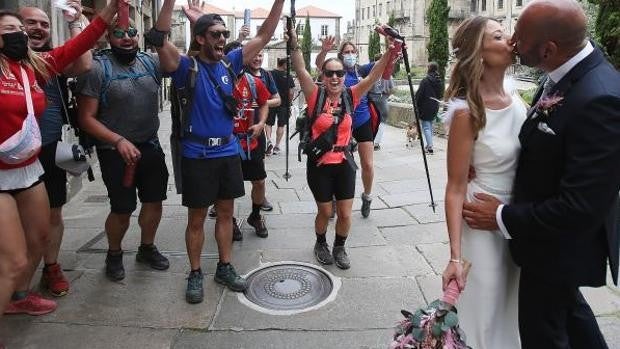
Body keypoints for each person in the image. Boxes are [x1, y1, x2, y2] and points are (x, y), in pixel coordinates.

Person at [462, 1, 620, 347]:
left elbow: (580, 206)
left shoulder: (599, 97)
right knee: (574, 320)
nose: (513, 42)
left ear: (549, 49)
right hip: (540, 242)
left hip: (556, 246)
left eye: (521, 37)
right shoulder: (564, 74)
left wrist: (501, 215)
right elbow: (547, 147)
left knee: (543, 334)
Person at [153, 0, 284, 304]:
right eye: (215, 34)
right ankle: (196, 272)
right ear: (200, 38)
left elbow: (264, 35)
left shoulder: (231, 63)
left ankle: (224, 267)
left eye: (225, 34)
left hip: (227, 152)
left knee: (226, 214)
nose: (222, 39)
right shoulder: (186, 67)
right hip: (197, 154)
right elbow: (158, 38)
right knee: (197, 219)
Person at [0, 0, 122, 318]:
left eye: (19, 30)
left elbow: (80, 48)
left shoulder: (35, 66)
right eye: (9, 30)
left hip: (31, 167)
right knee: (11, 259)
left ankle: (21, 296)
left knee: (40, 236)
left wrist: (109, 10)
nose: (18, 35)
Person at [440, 16, 524, 349]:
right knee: (482, 316)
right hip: (480, 223)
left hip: (513, 219)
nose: (511, 40)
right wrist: (456, 257)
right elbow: (455, 187)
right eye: (500, 36)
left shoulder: (516, 96)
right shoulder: (467, 112)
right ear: (480, 51)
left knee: (509, 313)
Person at [290, 27, 396, 269]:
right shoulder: (315, 96)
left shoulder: (351, 95)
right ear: (324, 76)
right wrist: (294, 42)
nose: (335, 77)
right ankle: (320, 243)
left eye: (339, 73)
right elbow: (300, 69)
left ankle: (339, 247)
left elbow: (373, 78)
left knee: (346, 214)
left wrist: (389, 52)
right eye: (330, 73)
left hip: (344, 163)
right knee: (325, 213)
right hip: (319, 165)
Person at [76, 17, 170, 281]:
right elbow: (86, 118)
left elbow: (179, 64)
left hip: (150, 146)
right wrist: (118, 140)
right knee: (122, 208)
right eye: (118, 33)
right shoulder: (97, 68)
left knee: (154, 201)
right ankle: (114, 253)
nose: (126, 37)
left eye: (131, 32)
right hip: (114, 152)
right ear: (108, 36)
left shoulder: (150, 61)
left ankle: (147, 248)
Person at [19, 2, 92, 298]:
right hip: (9, 155)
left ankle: (50, 267)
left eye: (45, 24)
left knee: (53, 213)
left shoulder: (51, 59)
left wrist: (77, 22)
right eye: (30, 23)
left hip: (47, 147)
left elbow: (84, 64)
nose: (39, 28)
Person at [316, 36, 376, 218]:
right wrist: (325, 50)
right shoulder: (337, 71)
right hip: (341, 121)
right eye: (346, 52)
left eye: (353, 52)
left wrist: (392, 49)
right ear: (341, 55)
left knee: (367, 163)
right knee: (337, 162)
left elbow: (381, 70)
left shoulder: (362, 70)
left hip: (362, 119)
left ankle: (367, 196)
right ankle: (334, 198)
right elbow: (320, 64)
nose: (350, 55)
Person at [223, 41, 272, 241]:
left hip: (251, 143)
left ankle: (255, 215)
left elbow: (264, 104)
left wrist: (261, 123)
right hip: (226, 146)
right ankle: (230, 220)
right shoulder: (217, 81)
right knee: (228, 188)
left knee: (259, 182)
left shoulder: (253, 82)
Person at [266, 57, 295, 155]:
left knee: (269, 123)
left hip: (272, 101)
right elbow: (291, 92)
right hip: (284, 104)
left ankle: (268, 141)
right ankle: (277, 146)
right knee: (281, 124)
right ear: (284, 64)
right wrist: (289, 103)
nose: (290, 66)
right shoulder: (288, 76)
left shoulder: (269, 74)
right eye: (289, 64)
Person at [414, 61, 442, 154]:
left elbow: (419, 94)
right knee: (430, 126)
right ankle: (429, 144)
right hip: (434, 105)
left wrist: (416, 104)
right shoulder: (439, 80)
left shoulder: (425, 80)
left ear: (429, 68)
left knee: (426, 127)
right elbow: (440, 95)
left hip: (425, 106)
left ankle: (430, 147)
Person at [368, 53, 394, 150]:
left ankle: (370, 140)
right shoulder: (387, 74)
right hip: (382, 99)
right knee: (382, 121)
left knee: (371, 120)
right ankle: (376, 143)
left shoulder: (371, 72)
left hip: (371, 98)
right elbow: (392, 89)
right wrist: (386, 95)